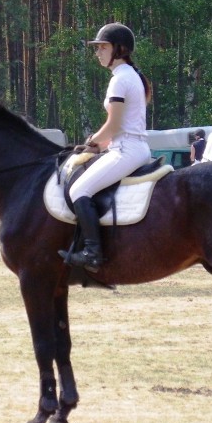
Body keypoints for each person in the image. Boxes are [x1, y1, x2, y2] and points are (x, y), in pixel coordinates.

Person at [59, 22, 152, 270]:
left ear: (119, 49)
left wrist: (92, 142)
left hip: (126, 150)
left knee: (79, 190)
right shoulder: (130, 76)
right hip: (132, 146)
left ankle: (92, 253)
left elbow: (113, 125)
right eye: (97, 47)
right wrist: (99, 146)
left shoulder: (120, 79)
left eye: (102, 47)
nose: (97, 52)